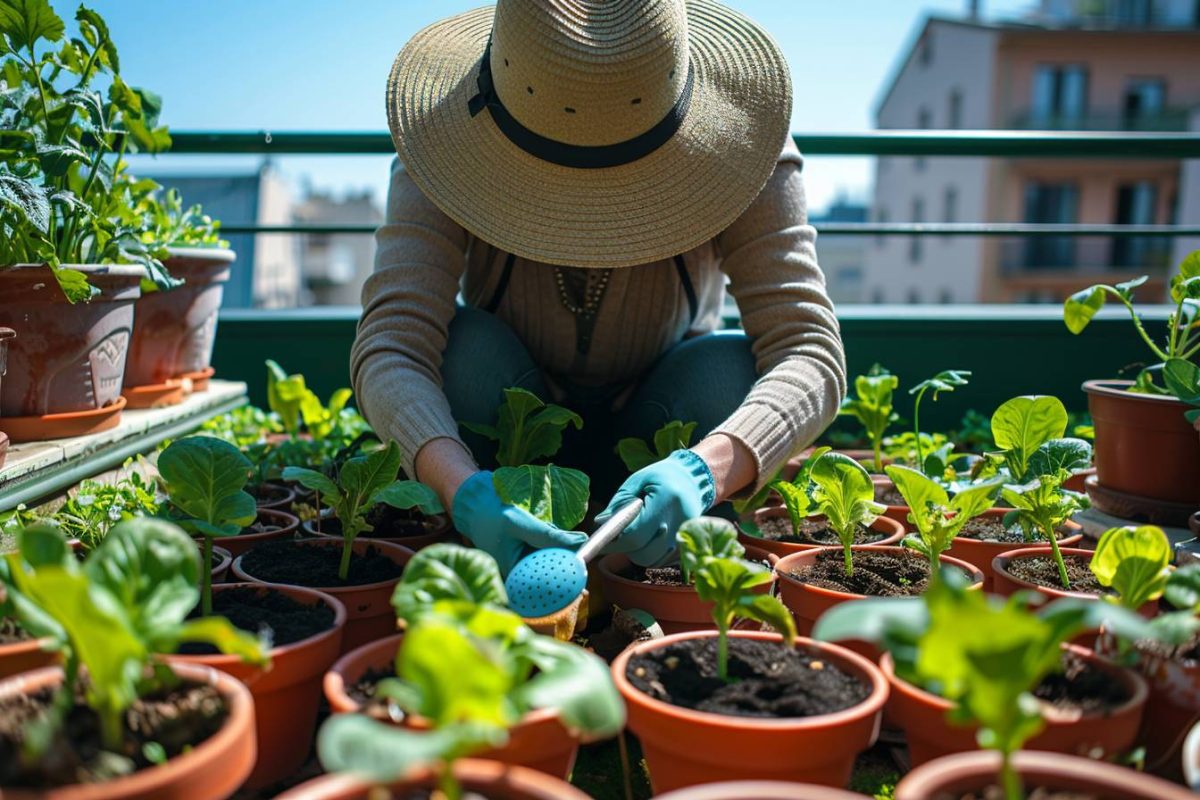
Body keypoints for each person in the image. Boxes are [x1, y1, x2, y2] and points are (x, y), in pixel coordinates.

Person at [352, 0, 846, 575]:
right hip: (499, 445)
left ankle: (654, 516)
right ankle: (493, 522)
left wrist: (702, 470)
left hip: (662, 428)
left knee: (726, 373)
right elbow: (392, 344)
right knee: (465, 356)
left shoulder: (752, 150)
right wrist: (458, 485)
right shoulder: (436, 143)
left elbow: (809, 350)